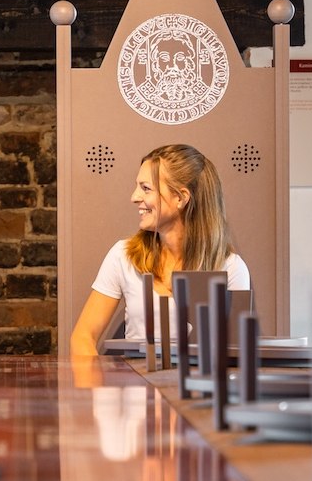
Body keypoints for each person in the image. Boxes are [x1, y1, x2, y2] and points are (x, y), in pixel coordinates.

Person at [70, 143, 249, 356]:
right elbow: (83, 336)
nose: (134, 197)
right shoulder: (123, 255)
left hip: (198, 388)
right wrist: (95, 384)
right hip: (135, 386)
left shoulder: (230, 267)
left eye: (146, 188)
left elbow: (235, 353)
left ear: (181, 197)